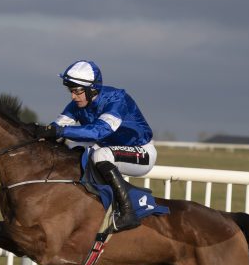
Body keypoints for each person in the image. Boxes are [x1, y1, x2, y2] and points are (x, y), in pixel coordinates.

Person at [32, 60, 156, 231]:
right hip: (109, 148)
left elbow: (99, 131)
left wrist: (59, 132)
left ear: (92, 90)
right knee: (73, 147)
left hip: (142, 152)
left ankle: (129, 214)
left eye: (77, 91)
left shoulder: (117, 99)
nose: (73, 96)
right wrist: (36, 132)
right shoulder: (77, 104)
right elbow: (57, 128)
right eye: (71, 91)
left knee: (100, 155)